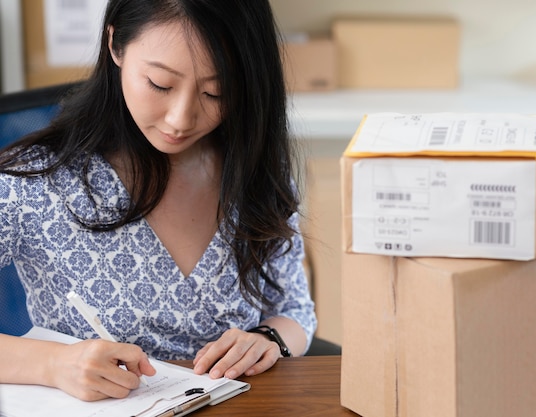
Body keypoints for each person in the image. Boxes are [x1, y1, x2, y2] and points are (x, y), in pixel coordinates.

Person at [0, 0, 316, 402]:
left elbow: (296, 311)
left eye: (215, 92)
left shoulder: (251, 171)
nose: (181, 119)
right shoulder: (34, 182)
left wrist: (269, 338)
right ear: (115, 45)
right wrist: (52, 364)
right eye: (160, 85)